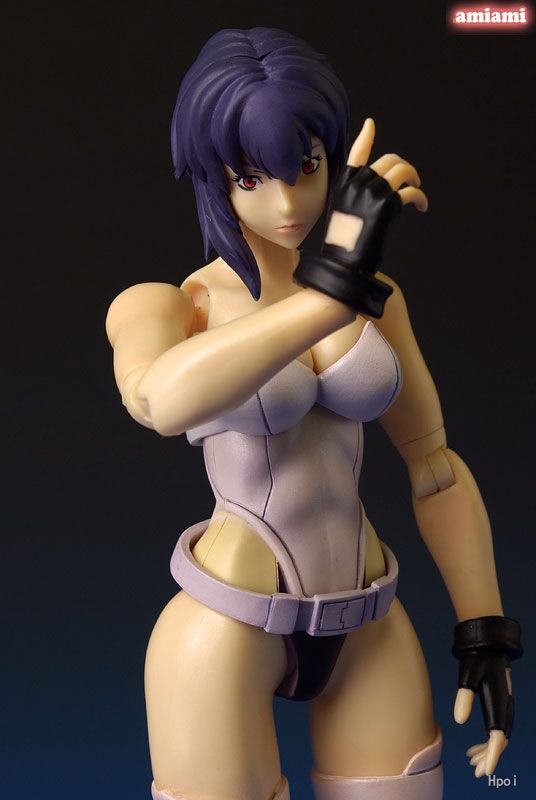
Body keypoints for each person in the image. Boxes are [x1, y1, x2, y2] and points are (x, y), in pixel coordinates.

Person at [106, 27, 521, 800]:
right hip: (227, 632)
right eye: (251, 176)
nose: (288, 203)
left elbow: (433, 469)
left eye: (307, 166)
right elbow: (157, 398)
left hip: (368, 626)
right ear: (214, 178)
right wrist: (333, 287)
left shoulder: (375, 299)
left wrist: (484, 628)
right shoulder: (174, 305)